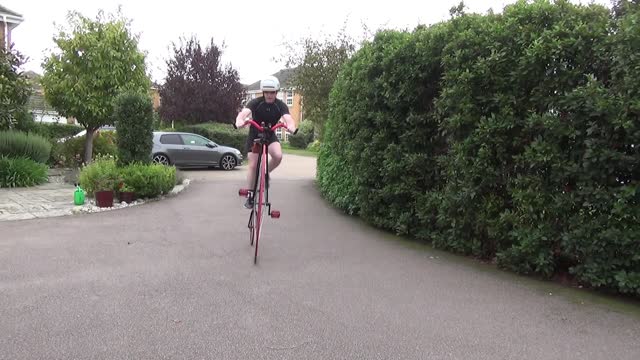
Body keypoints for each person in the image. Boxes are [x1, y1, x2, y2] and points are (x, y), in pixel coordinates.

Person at [235, 75, 296, 208]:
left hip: (270, 134)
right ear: (263, 92)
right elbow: (244, 113)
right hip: (255, 134)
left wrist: (291, 126)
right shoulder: (256, 102)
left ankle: (265, 173)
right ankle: (251, 195)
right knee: (252, 164)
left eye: (272, 92)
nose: (269, 95)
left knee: (278, 156)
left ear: (276, 92)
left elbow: (288, 118)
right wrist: (239, 121)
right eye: (267, 92)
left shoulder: (280, 105)